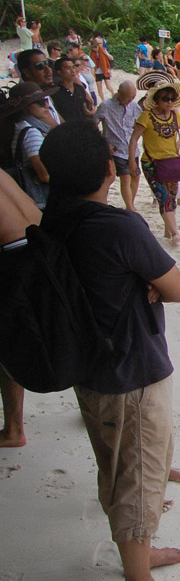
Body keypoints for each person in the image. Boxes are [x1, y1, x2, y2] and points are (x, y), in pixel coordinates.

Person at [40, 120, 180, 581]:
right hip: (133, 370)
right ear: (110, 169)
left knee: (115, 463)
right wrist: (149, 282)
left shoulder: (52, 221)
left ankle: (138, 554)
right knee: (138, 477)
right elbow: (177, 289)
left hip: (89, 368)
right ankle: (137, 570)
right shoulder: (120, 226)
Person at [0, 170, 41, 447]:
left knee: (8, 342)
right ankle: (13, 428)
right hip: (43, 242)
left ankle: (14, 429)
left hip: (14, 254)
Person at [127, 81, 180, 245]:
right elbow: (134, 139)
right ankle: (175, 233)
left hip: (172, 162)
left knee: (171, 197)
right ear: (156, 100)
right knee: (163, 197)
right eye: (165, 99)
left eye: (172, 99)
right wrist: (132, 162)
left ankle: (168, 230)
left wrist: (178, 144)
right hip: (152, 163)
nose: (169, 102)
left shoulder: (175, 116)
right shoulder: (146, 117)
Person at [3, 82, 57, 209]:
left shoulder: (18, 127)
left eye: (45, 100)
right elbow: (44, 175)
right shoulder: (32, 133)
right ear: (26, 107)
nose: (46, 105)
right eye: (40, 102)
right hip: (40, 199)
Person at [94, 81, 142, 211]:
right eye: (128, 96)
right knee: (125, 177)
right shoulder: (106, 106)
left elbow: (141, 122)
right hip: (116, 149)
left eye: (133, 96)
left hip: (132, 149)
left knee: (135, 176)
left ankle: (130, 203)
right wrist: (104, 142)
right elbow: (93, 125)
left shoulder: (134, 106)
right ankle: (130, 207)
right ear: (119, 93)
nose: (131, 99)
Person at [51, 56, 95, 123]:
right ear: (59, 72)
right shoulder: (56, 93)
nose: (72, 71)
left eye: (73, 67)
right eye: (68, 68)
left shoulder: (79, 88)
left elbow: (86, 109)